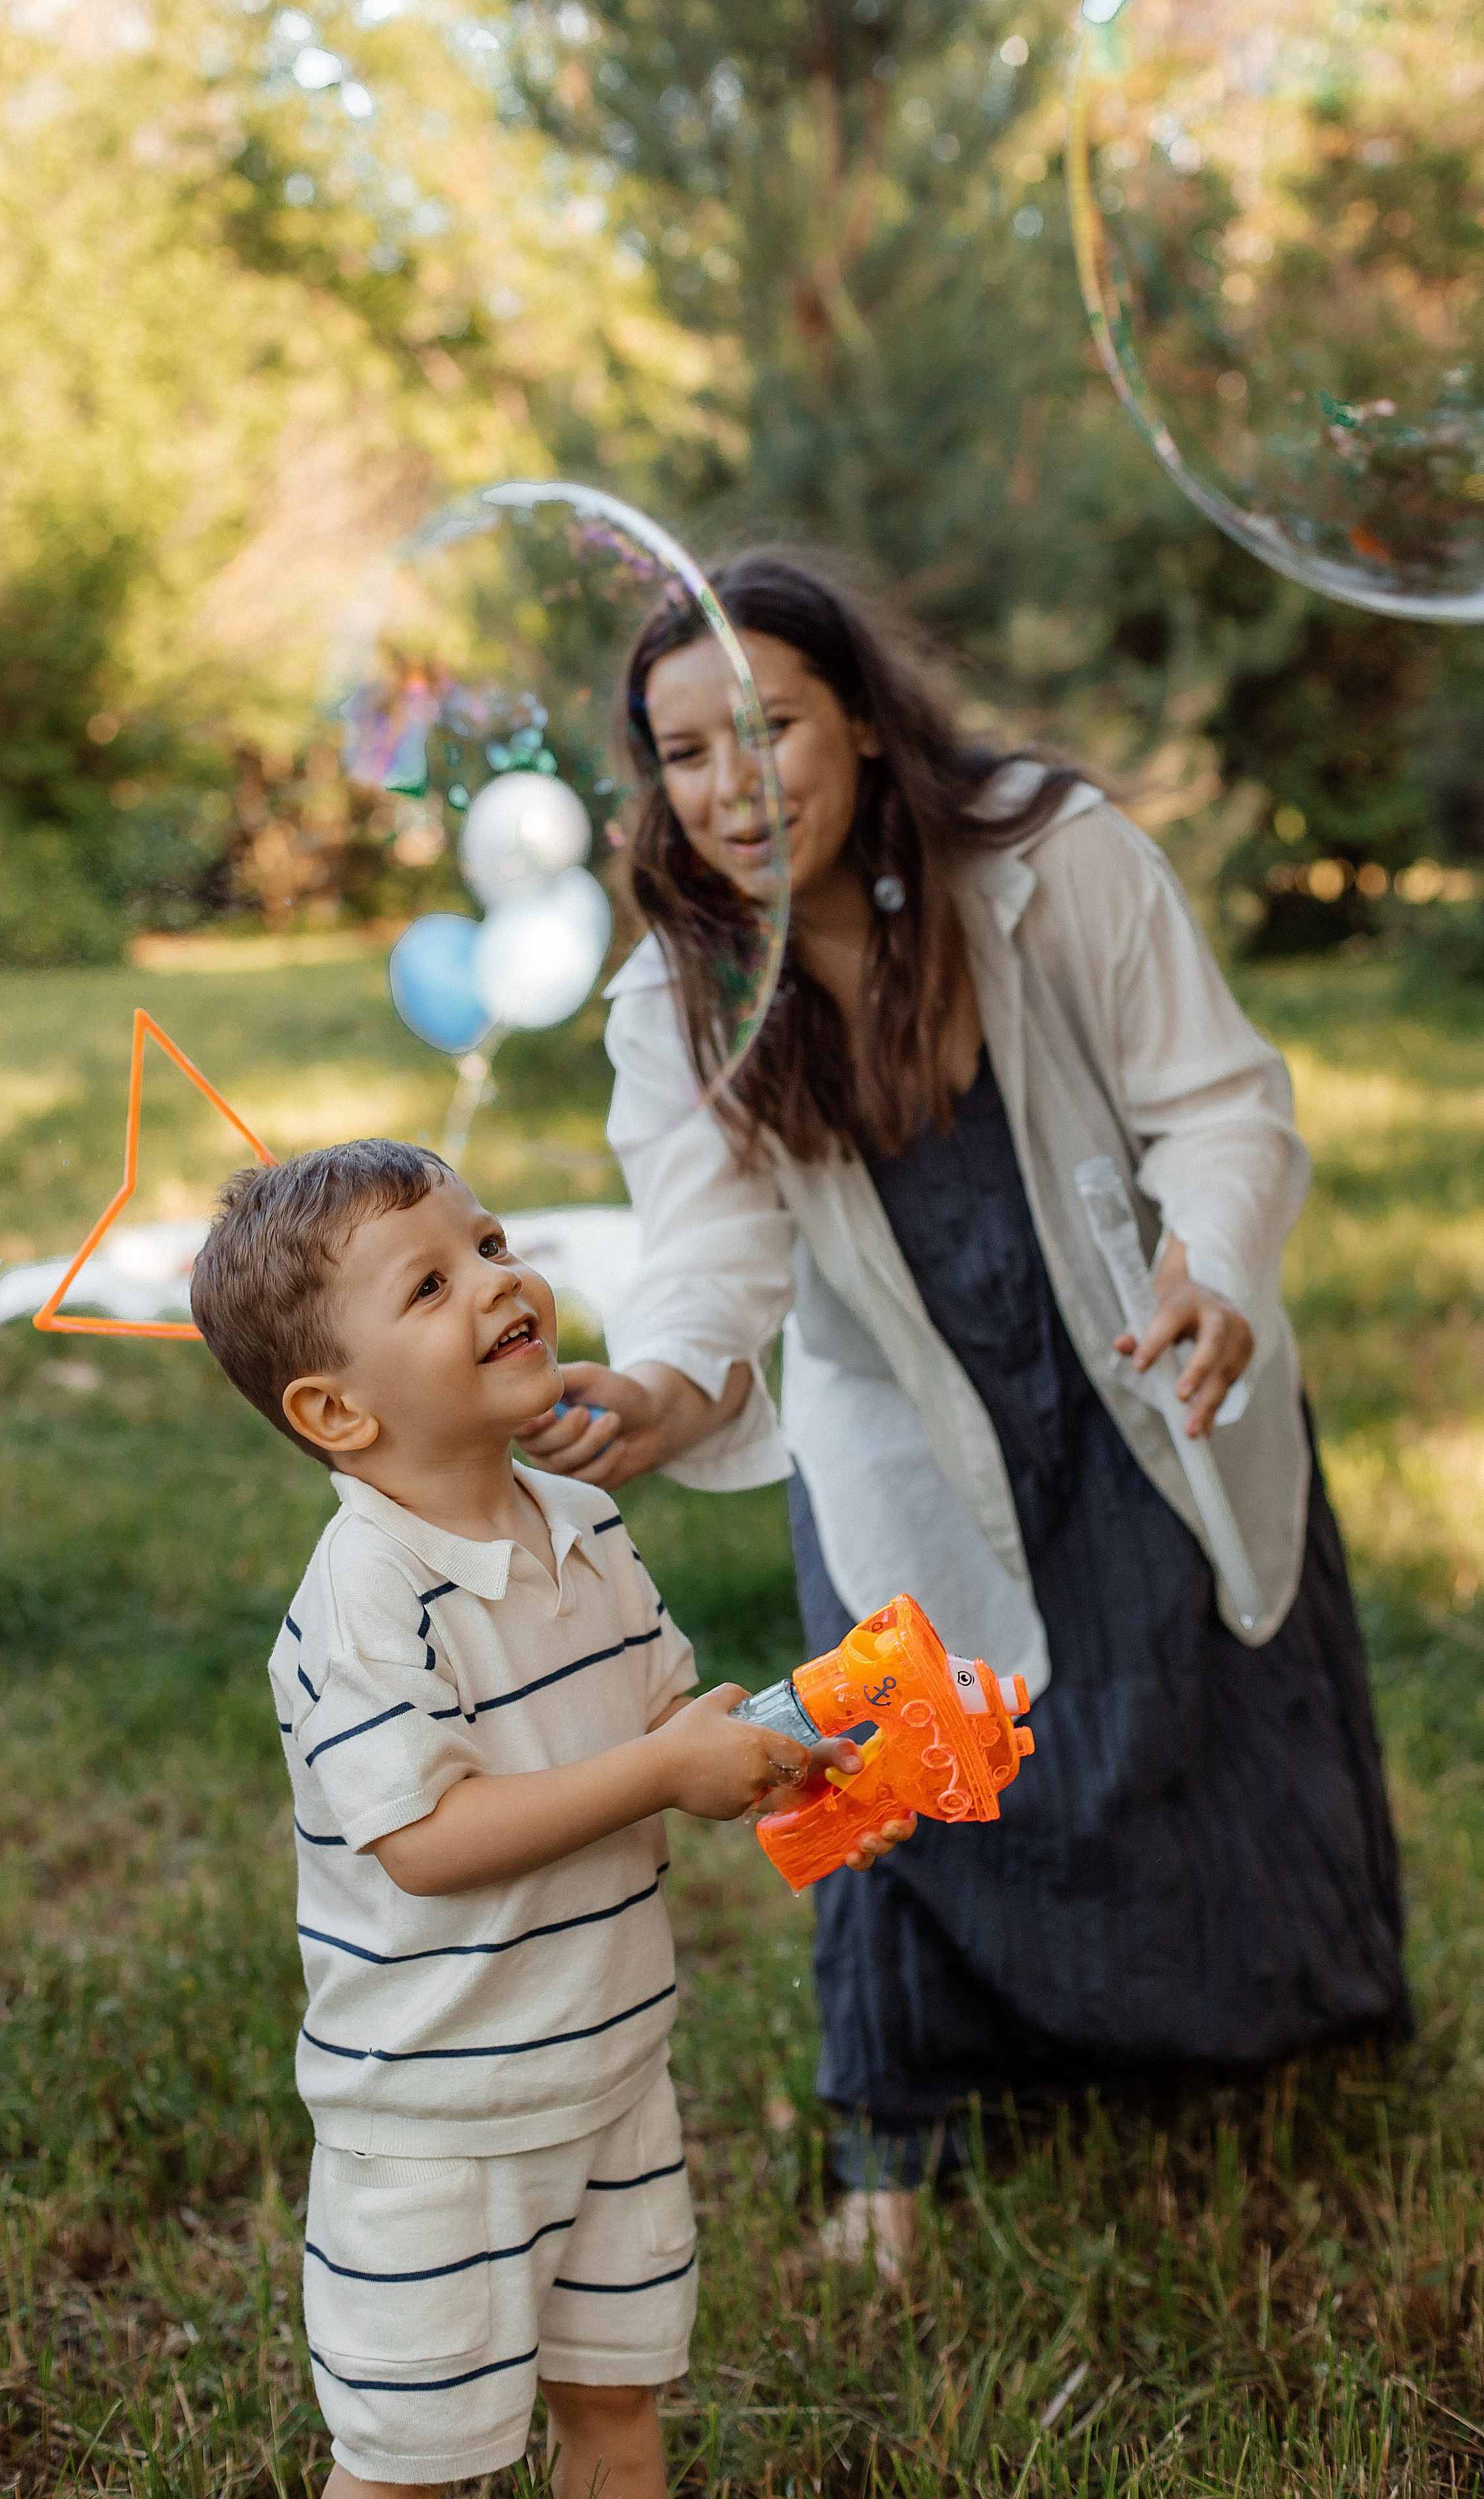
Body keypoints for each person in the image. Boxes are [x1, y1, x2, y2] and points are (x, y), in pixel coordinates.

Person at [519, 551, 1409, 2280]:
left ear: (858, 713)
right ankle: (891, 2143)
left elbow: (1220, 1104)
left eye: (767, 727)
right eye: (684, 754)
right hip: (902, 1421)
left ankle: (1262, 2045)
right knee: (894, 1760)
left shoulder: (1052, 858)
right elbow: (707, 1255)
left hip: (1147, 1368)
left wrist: (1215, 1270)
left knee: (1208, 1713)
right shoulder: (683, 989)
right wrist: (652, 1382)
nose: (731, 787)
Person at [187, 1138, 902, 2498]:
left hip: (613, 2076)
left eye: (495, 1246)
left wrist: (788, 1760)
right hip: (442, 2124)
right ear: (335, 1414)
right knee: (418, 2467)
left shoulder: (584, 1525)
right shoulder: (366, 1603)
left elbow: (666, 1737)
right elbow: (428, 1846)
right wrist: (662, 1773)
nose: (496, 1283)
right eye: (430, 1284)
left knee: (616, 2420)